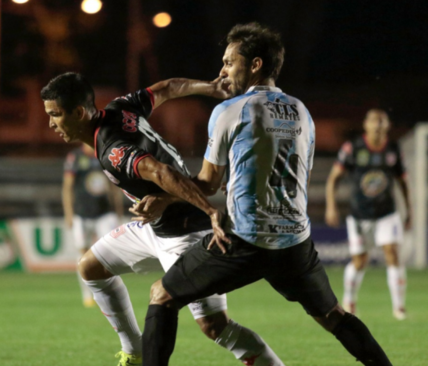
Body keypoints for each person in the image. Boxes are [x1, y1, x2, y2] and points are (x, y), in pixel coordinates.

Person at [134, 23, 393, 366]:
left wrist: (164, 199)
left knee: (162, 294)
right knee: (333, 316)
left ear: (255, 65)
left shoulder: (229, 111)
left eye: (229, 62)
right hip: (294, 242)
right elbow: (300, 174)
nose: (222, 70)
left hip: (245, 240)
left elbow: (208, 184)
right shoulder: (302, 111)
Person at [41, 73, 284, 366]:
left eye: (55, 115)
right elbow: (167, 88)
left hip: (186, 235)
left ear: (78, 113)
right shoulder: (121, 108)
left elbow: (161, 173)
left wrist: (209, 211)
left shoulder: (112, 151)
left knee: (215, 327)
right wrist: (210, 88)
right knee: (91, 267)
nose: (51, 123)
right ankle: (134, 351)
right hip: (153, 228)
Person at [325, 109, 411, 320]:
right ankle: (349, 301)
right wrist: (331, 206)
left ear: (388, 126)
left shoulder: (393, 149)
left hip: (386, 213)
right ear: (366, 125)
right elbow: (333, 178)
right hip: (359, 214)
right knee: (360, 260)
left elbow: (402, 181)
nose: (378, 125)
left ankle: (399, 308)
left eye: (382, 121)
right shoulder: (353, 148)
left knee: (392, 253)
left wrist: (408, 210)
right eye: (374, 121)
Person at [63, 143, 124, 307]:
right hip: (81, 214)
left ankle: (110, 292)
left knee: (110, 251)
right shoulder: (75, 157)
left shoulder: (104, 155)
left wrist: (118, 210)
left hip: (104, 212)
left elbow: (113, 185)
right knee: (83, 253)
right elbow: (67, 186)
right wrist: (69, 213)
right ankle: (87, 295)